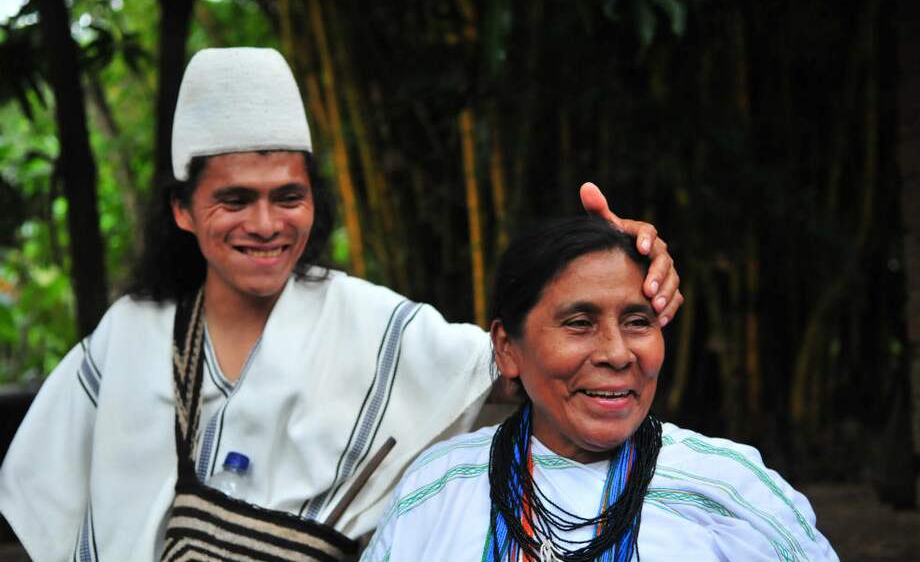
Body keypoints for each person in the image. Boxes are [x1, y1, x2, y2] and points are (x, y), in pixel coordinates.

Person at [0, 48, 682, 561]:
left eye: (288, 196)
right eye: (234, 199)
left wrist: (623, 279)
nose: (265, 223)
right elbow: (41, 494)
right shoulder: (129, 337)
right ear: (182, 209)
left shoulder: (374, 324)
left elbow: (524, 369)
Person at [362, 216, 838, 562]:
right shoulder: (439, 486)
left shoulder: (730, 487)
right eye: (579, 322)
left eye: (637, 321)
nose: (616, 352)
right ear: (508, 348)